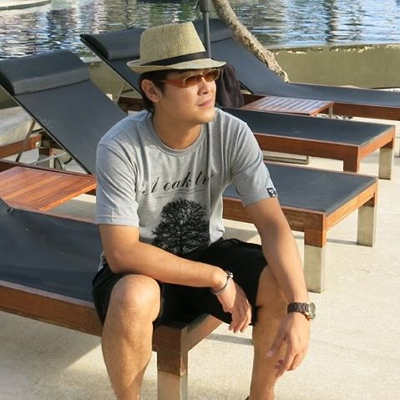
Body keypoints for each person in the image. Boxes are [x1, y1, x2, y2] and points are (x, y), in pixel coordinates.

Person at [92, 21, 314, 400]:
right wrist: (216, 278)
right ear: (152, 90)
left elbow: (273, 225)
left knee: (278, 280)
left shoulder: (232, 133)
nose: (207, 87)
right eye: (189, 79)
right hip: (143, 269)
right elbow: (122, 253)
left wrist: (300, 307)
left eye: (210, 75)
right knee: (133, 296)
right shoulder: (121, 147)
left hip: (205, 250)